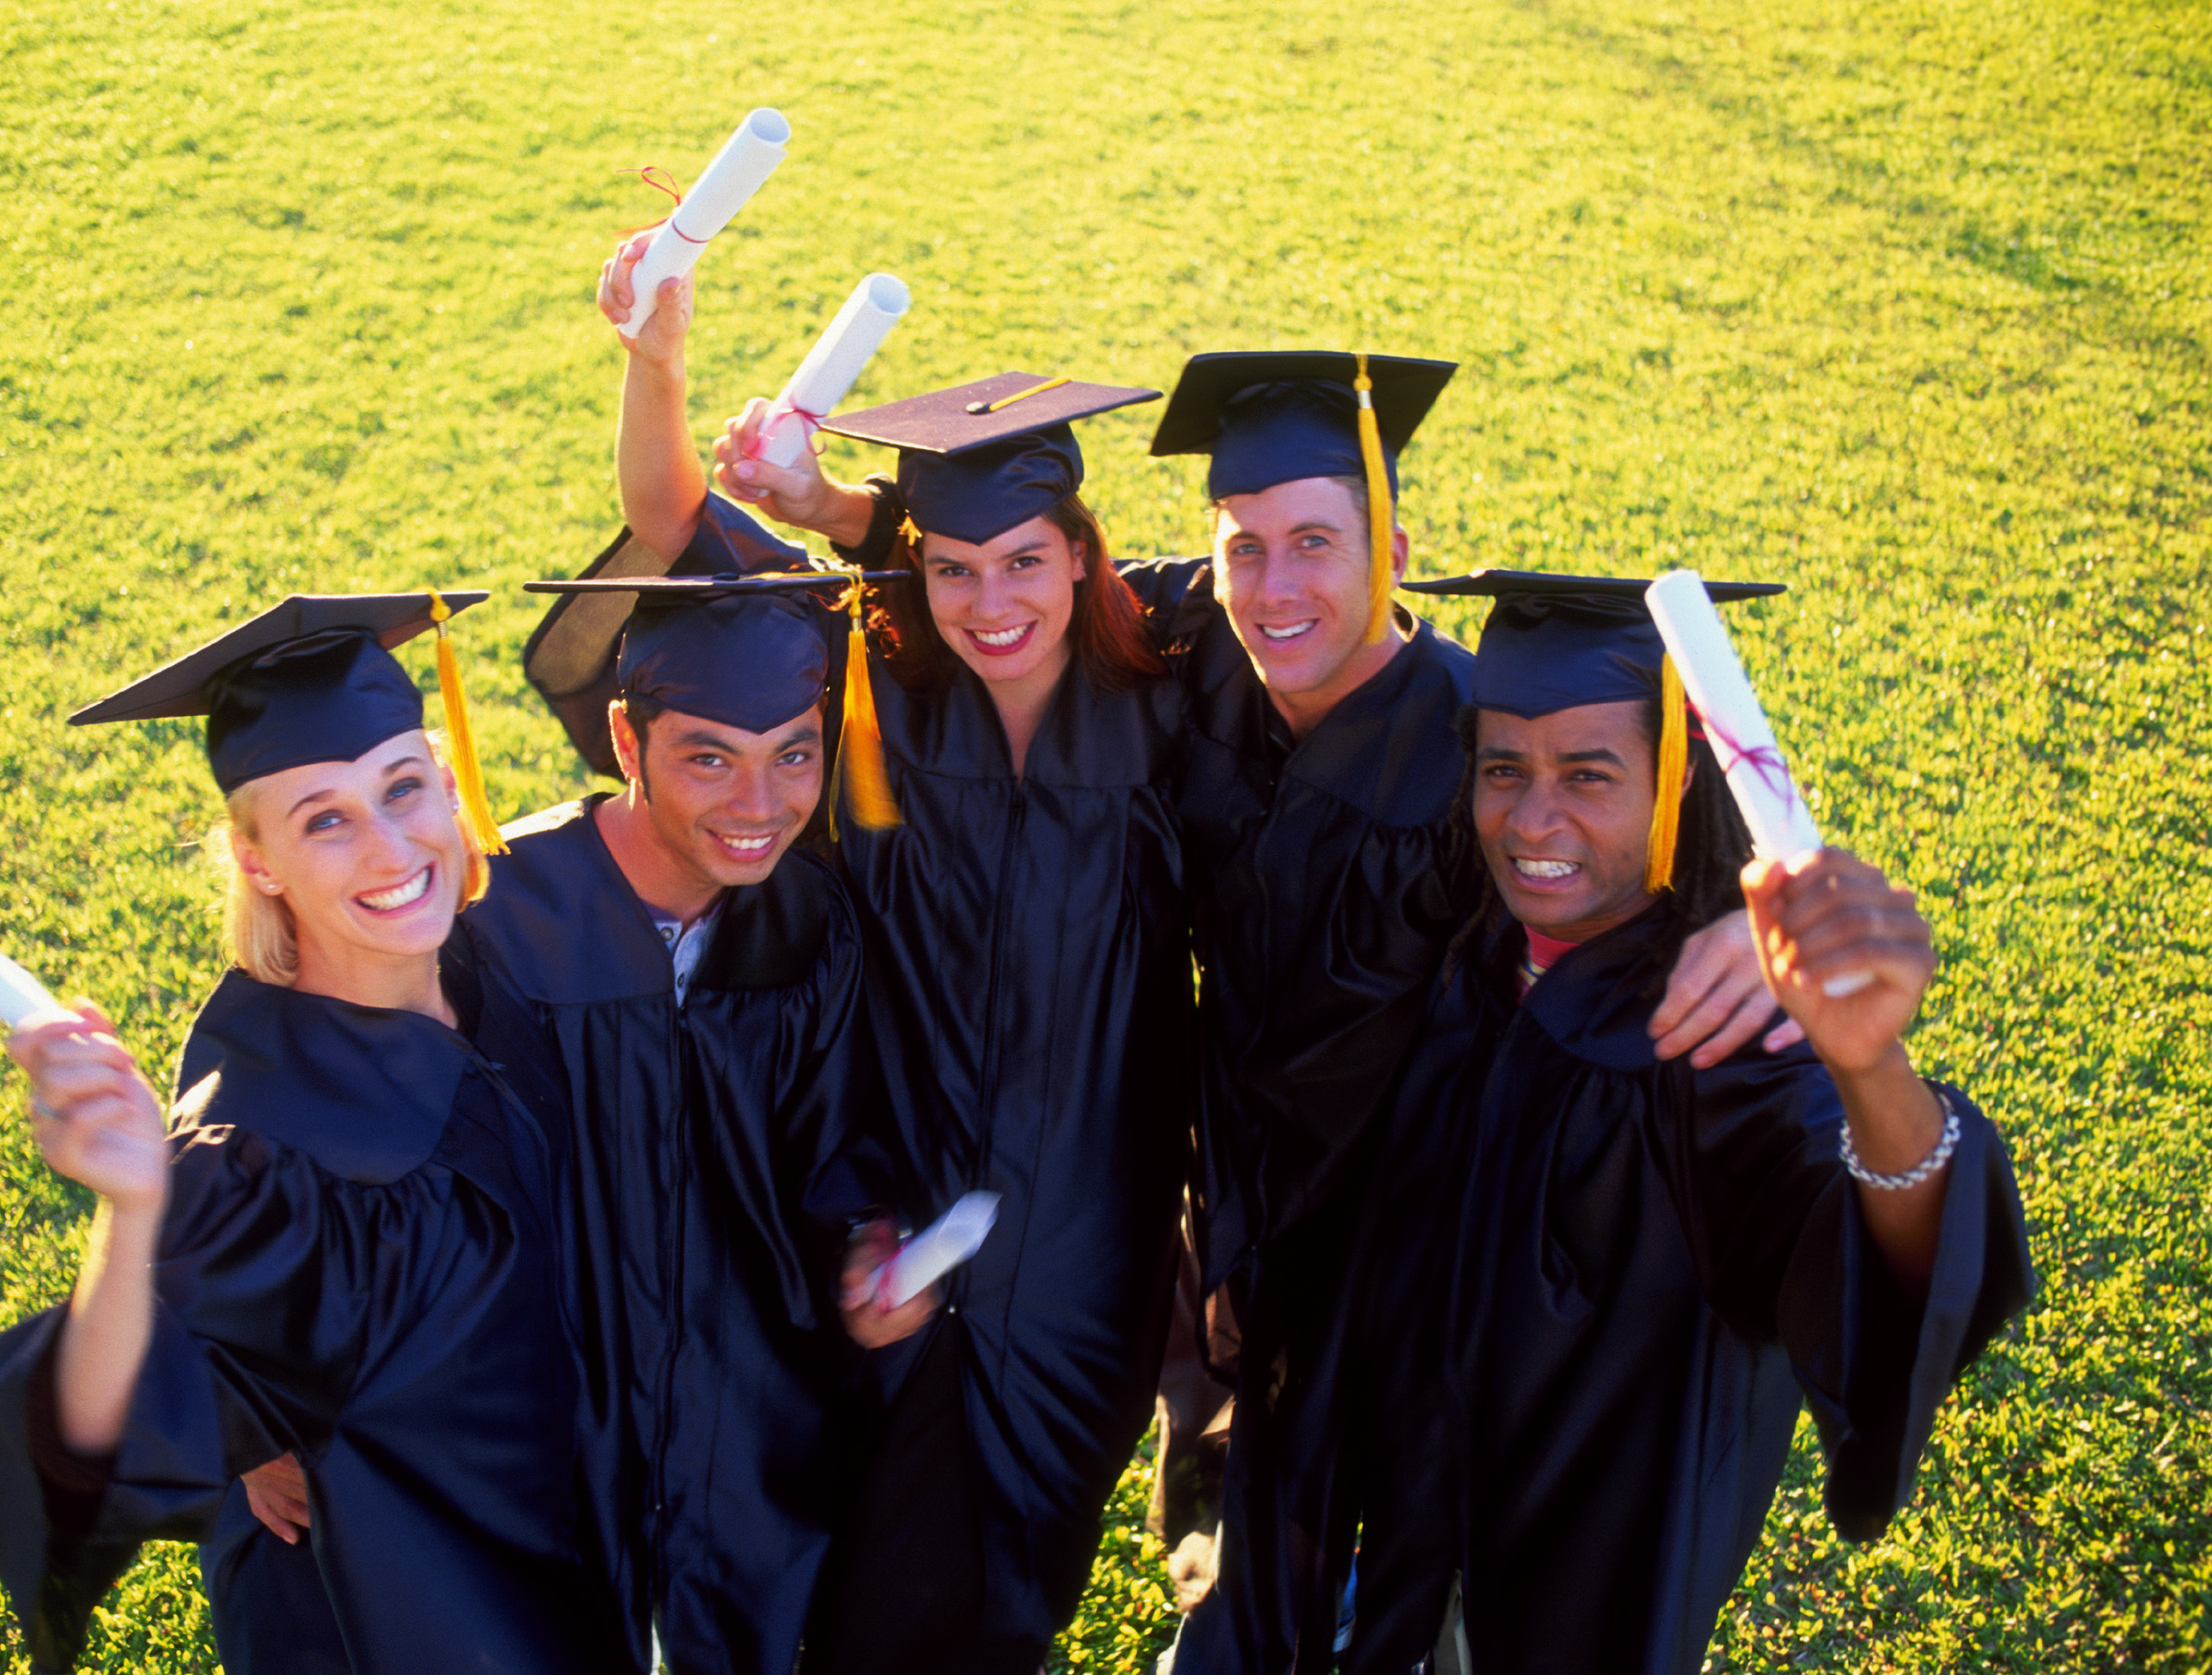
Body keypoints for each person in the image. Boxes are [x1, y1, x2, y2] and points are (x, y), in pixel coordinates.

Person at [1106, 353, 1801, 1673]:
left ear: (1395, 552)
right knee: (1256, 1476)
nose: (1275, 584)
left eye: (1317, 541)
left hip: (1419, 1211)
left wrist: (1749, 927)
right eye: (1245, 546)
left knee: (1407, 1495)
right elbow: (1058, 591)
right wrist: (850, 513)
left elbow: (1645, 836)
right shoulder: (1208, 651)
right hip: (1249, 1184)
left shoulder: (1476, 734)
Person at [592, 242, 1200, 1675]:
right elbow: (676, 526)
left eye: (1026, 562)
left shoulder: (1176, 690)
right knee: (869, 1588)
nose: (992, 604)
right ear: (913, 570)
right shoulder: (874, 680)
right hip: (892, 1213)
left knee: (1017, 1582)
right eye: (954, 567)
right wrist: (658, 362)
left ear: (1083, 556)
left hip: (1089, 1252)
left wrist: (841, 505)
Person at [1352, 569, 2033, 1673]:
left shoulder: (1711, 1039)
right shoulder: (1465, 953)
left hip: (1566, 1603)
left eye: (1589, 774)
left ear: (1675, 783)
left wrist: (1869, 1066)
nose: (1532, 819)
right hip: (1396, 1542)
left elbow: (1858, 1238)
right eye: (1504, 769)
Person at [0, 592, 634, 1674]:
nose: (389, 846)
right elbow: (94, 1453)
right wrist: (130, 1215)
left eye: (401, 787)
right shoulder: (269, 1152)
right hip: (405, 1606)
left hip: (568, 1525)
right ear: (257, 858)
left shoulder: (486, 966)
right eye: (324, 818)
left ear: (447, 783)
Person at [472, 565, 934, 1675]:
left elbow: (838, 1149)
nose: (760, 805)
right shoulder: (494, 915)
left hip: (742, 1404)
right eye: (709, 758)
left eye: (795, 755)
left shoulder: (810, 920)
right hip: (541, 1402)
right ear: (625, 742)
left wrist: (869, 1242)